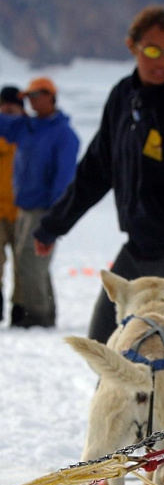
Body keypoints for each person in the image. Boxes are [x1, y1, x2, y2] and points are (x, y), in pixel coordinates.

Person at [33, 6, 164, 392]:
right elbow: (94, 171)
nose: (161, 61)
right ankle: (129, 436)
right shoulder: (124, 98)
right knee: (103, 346)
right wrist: (53, 226)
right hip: (137, 250)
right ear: (133, 46)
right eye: (152, 50)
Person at [0, 77, 79, 327]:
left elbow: (64, 177)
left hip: (44, 209)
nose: (32, 101)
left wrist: (56, 216)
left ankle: (39, 316)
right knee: (30, 263)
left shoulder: (64, 134)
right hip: (23, 206)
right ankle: (41, 313)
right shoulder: (27, 127)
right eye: (29, 97)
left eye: (36, 95)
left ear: (50, 96)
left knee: (31, 262)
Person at [0, 86, 25, 324]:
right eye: (4, 104)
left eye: (13, 105)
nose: (8, 108)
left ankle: (22, 312)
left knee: (25, 266)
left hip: (23, 210)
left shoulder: (29, 133)